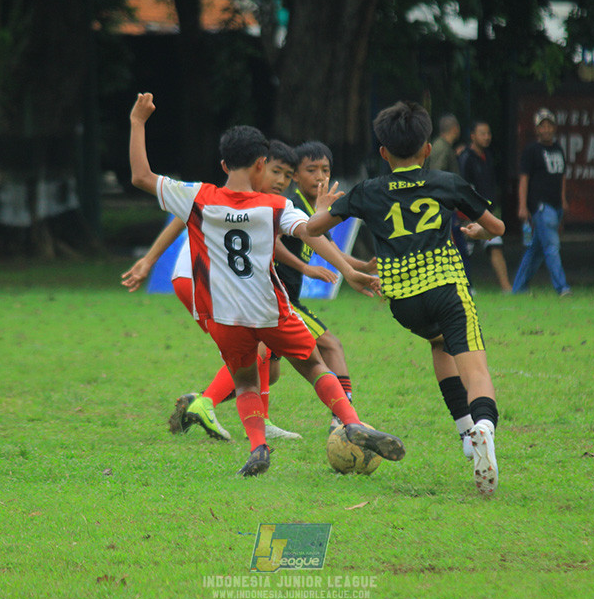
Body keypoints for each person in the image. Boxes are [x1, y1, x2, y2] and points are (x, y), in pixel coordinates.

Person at [128, 92, 406, 476]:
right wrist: (330, 226)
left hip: (224, 316)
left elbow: (141, 176)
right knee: (312, 364)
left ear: (224, 163)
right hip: (270, 308)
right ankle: (351, 420)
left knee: (245, 381)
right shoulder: (274, 206)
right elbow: (310, 231)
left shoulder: (198, 197)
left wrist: (138, 122)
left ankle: (258, 447)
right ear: (261, 164)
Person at [307, 100, 505, 495]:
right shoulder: (446, 182)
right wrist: (480, 233)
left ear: (383, 153)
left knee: (438, 342)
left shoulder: (367, 191)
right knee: (476, 370)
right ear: (427, 149)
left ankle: (466, 433)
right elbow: (496, 226)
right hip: (447, 289)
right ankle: (483, 426)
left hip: (404, 303)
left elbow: (312, 229)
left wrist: (320, 206)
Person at [121, 140, 309, 441]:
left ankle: (254, 417)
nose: (280, 181)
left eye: (287, 175)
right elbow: (183, 216)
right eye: (275, 171)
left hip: (200, 280)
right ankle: (205, 403)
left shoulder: (260, 200)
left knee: (266, 365)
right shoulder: (237, 195)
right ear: (258, 165)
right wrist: (149, 259)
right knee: (254, 346)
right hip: (200, 279)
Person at [274, 141, 377, 430]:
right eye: (311, 170)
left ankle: (202, 402)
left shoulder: (313, 210)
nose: (320, 177)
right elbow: (272, 243)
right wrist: (304, 267)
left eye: (325, 170)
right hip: (280, 298)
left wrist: (362, 266)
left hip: (283, 298)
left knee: (265, 370)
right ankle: (344, 416)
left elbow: (332, 250)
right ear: (294, 175)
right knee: (329, 346)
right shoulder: (291, 207)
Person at [511, 108, 572, 296]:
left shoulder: (558, 149)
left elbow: (561, 176)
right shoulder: (531, 151)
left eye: (549, 125)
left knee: (536, 250)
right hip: (541, 206)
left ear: (554, 127)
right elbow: (524, 179)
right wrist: (522, 206)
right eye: (542, 126)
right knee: (552, 246)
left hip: (555, 205)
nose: (546, 129)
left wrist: (563, 200)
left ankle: (519, 288)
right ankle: (562, 287)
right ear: (536, 129)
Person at [460, 120, 512, 292]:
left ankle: (506, 288)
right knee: (464, 251)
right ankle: (465, 286)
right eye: (482, 133)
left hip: (487, 213)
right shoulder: (466, 158)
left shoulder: (488, 156)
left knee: (495, 245)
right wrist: (466, 211)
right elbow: (463, 187)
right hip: (470, 213)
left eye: (488, 133)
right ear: (472, 136)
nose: (487, 137)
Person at [427, 113, 474, 290]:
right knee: (456, 247)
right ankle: (462, 284)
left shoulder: (441, 146)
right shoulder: (442, 148)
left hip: (443, 207)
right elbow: (437, 175)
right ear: (455, 129)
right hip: (443, 208)